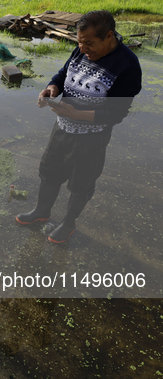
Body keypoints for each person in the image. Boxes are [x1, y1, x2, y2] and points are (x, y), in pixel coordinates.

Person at [15, 10, 141, 243]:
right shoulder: (81, 50)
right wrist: (52, 87)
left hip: (91, 138)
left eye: (89, 44)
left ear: (109, 36)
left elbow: (117, 112)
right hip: (62, 126)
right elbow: (63, 75)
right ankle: (42, 212)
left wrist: (79, 115)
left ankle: (68, 223)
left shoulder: (127, 65)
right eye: (80, 42)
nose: (83, 49)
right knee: (49, 171)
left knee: (81, 184)